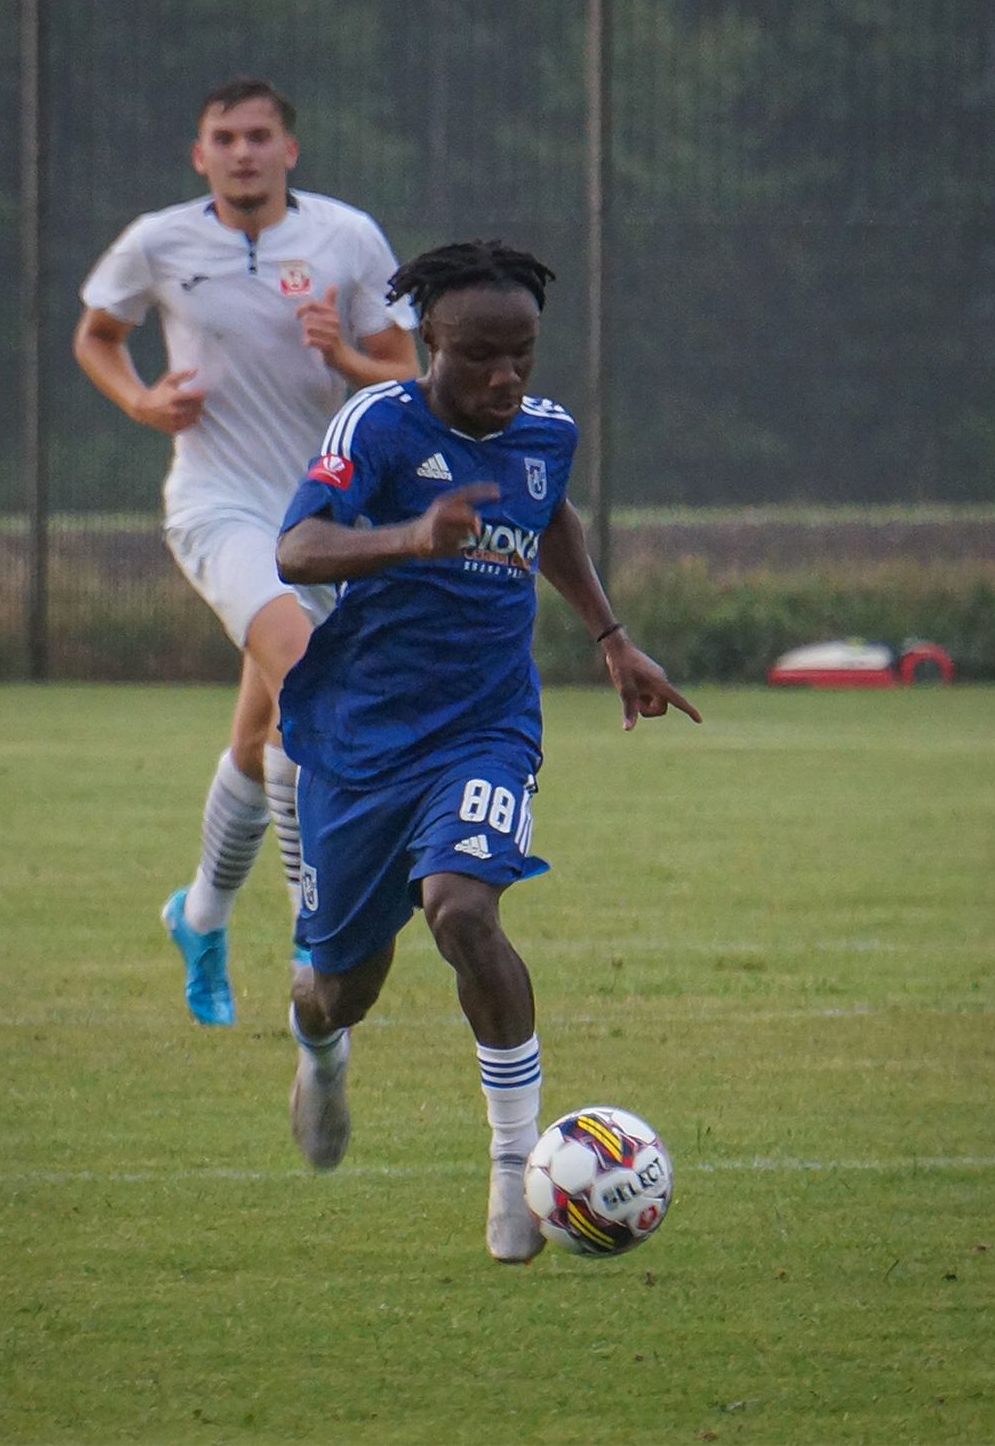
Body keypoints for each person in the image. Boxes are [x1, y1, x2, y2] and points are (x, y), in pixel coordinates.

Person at [274, 239, 702, 1263]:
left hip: (487, 727)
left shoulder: (544, 431)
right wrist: (409, 538)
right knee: (342, 988)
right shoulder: (377, 425)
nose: (507, 377)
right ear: (429, 341)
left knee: (463, 908)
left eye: (524, 354)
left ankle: (516, 1170)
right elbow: (297, 546)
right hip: (364, 738)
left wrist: (610, 636)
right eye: (481, 356)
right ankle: (319, 1052)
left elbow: (549, 514)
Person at [73, 77, 418, 1027]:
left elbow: (407, 373)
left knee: (260, 733)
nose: (243, 153)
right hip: (218, 508)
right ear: (200, 153)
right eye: (224, 137)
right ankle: (318, 929)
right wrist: (140, 400)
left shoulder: (347, 238)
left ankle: (201, 915)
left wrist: (345, 359)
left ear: (290, 150)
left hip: (324, 517)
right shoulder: (160, 240)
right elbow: (98, 335)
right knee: (305, 681)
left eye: (260, 136)